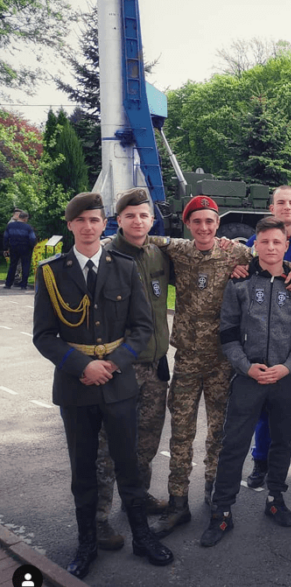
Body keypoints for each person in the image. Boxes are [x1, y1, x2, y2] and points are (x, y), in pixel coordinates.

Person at [32, 192, 172, 579]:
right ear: (71, 225)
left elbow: (142, 326)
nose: (89, 227)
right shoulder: (51, 271)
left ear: (103, 224)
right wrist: (82, 366)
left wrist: (113, 363)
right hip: (76, 387)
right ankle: (87, 544)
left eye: (95, 220)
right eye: (82, 221)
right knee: (83, 471)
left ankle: (142, 538)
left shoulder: (124, 267)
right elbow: (44, 335)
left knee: (128, 464)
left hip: (118, 382)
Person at [148, 195, 267, 538]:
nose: (203, 227)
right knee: (181, 432)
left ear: (218, 224)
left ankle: (216, 497)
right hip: (186, 358)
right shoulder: (179, 250)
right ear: (188, 224)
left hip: (222, 360)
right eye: (196, 221)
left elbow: (270, 259)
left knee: (219, 432)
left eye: (209, 222)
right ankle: (177, 503)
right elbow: (144, 238)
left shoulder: (236, 252)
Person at [200, 217, 291, 547]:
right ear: (256, 244)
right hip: (248, 377)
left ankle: (275, 499)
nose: (270, 248)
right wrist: (246, 367)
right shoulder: (239, 282)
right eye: (264, 242)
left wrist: (289, 366)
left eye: (277, 242)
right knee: (233, 443)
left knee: (282, 441)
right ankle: (221, 512)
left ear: (284, 245)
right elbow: (228, 332)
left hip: (285, 378)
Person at [92, 189, 173, 550]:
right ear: (118, 219)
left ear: (151, 220)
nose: (137, 221)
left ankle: (136, 499)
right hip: (120, 367)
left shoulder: (158, 254)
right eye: (130, 215)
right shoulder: (104, 256)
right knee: (109, 447)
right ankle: (98, 519)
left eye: (143, 215)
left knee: (146, 443)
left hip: (155, 367)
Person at [243, 185, 291, 489]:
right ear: (271, 208)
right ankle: (261, 462)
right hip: (264, 342)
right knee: (264, 409)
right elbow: (244, 271)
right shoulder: (254, 240)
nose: (286, 207)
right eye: (280, 202)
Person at [4, 210, 36, 290]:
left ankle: (8, 284)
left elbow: (5, 237)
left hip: (13, 247)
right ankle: (23, 285)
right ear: (25, 218)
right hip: (25, 248)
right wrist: (32, 247)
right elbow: (32, 238)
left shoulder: (10, 226)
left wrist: (5, 248)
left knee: (13, 265)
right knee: (25, 265)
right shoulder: (28, 227)